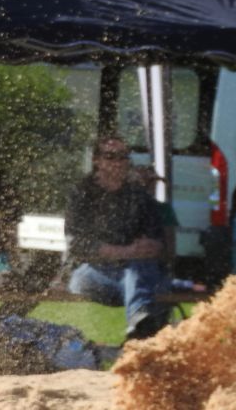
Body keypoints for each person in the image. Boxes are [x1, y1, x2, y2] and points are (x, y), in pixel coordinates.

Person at [65, 136, 169, 340]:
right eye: (111, 156)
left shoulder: (138, 195)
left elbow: (160, 242)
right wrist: (126, 251)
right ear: (97, 160)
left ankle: (139, 326)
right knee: (140, 277)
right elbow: (77, 245)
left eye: (123, 157)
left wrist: (150, 246)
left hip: (132, 273)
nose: (118, 162)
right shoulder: (82, 193)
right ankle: (140, 323)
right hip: (91, 274)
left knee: (139, 270)